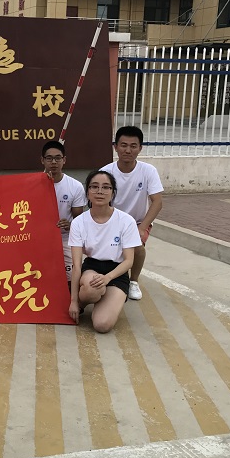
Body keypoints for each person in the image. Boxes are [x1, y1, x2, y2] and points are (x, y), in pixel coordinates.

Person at [68, 170, 142, 333]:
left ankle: (106, 298)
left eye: (106, 187)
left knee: (102, 325)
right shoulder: (79, 222)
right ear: (87, 192)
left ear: (113, 192)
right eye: (94, 187)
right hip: (92, 268)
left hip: (117, 273)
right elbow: (76, 266)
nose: (100, 191)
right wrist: (73, 301)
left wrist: (107, 277)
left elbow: (128, 261)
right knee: (92, 288)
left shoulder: (126, 221)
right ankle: (83, 302)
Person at [101, 126, 163, 301]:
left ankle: (133, 281)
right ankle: (110, 277)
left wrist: (142, 228)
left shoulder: (148, 171)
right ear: (115, 147)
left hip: (137, 221)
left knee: (137, 247)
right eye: (123, 145)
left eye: (133, 146)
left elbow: (157, 202)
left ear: (140, 148)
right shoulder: (106, 172)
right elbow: (100, 201)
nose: (128, 150)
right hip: (112, 220)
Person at [41, 141, 86, 283]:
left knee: (71, 276)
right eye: (49, 158)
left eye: (58, 158)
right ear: (42, 160)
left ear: (64, 160)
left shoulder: (75, 186)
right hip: (40, 238)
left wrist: (69, 225)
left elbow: (79, 220)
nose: (54, 162)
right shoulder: (33, 185)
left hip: (65, 238)